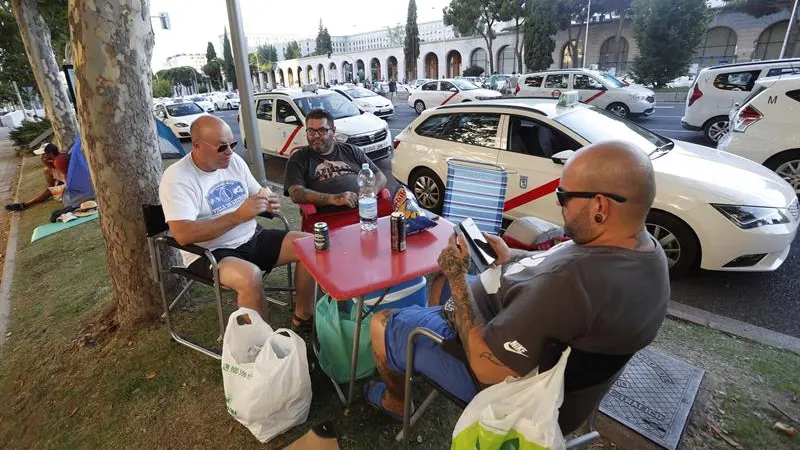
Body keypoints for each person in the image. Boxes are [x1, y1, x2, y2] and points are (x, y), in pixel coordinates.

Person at [365, 140, 670, 432]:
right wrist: (513, 257)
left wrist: (458, 279)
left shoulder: (569, 284)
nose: (557, 201)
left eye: (564, 196)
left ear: (600, 206)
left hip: (508, 390)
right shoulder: (644, 251)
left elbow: (489, 370)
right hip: (526, 337)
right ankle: (433, 325)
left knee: (382, 322)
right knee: (444, 282)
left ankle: (396, 401)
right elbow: (558, 266)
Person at [159, 115, 315, 327]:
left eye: (232, 144)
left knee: (311, 246)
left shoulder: (234, 162)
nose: (230, 151)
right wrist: (237, 216)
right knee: (250, 276)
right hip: (210, 252)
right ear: (196, 145)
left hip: (252, 236)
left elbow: (259, 194)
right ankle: (257, 346)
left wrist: (267, 203)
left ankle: (303, 316)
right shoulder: (178, 177)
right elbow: (183, 234)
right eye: (222, 147)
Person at [284, 109, 386, 213]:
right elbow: (296, 193)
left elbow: (379, 175)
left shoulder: (351, 150)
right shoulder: (299, 158)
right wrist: (334, 199)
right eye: (311, 131)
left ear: (333, 131)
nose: (316, 136)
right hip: (328, 217)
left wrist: (371, 191)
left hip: (365, 210)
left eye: (322, 130)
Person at [5, 143, 69, 211]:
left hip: (71, 185)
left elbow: (68, 180)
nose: (41, 156)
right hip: (68, 178)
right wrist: (44, 161)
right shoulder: (60, 155)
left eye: (43, 154)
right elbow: (51, 169)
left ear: (50, 154)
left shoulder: (58, 162)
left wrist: (58, 188)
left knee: (50, 190)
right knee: (47, 171)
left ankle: (25, 205)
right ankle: (50, 189)